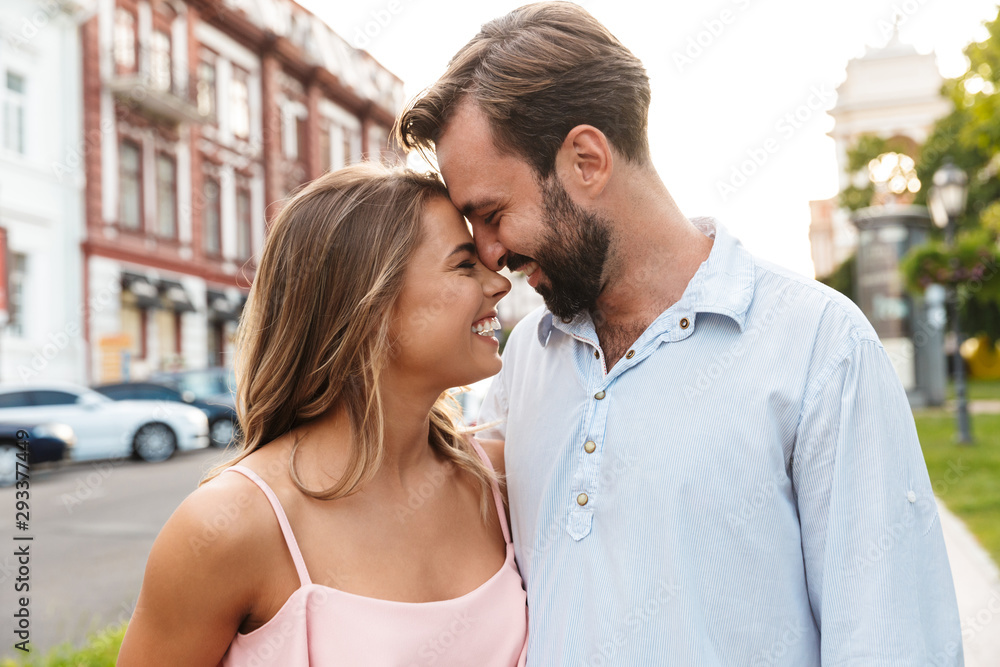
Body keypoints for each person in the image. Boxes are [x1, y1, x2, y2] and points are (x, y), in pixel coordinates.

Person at [395, 2, 964, 665]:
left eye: (492, 213)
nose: (489, 253)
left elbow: (893, 643)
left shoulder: (819, 347)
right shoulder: (526, 358)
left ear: (586, 159)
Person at [117, 164, 528, 666]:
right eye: (465, 266)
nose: (499, 282)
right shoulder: (230, 528)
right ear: (368, 304)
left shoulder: (502, 481)